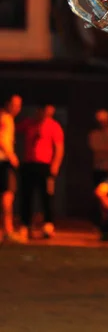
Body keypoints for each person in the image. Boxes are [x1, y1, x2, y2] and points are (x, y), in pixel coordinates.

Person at [17, 106, 64, 240]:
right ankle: (25, 225)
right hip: (29, 164)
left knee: (47, 197)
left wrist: (55, 165)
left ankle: (48, 225)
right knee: (26, 196)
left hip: (45, 166)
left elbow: (59, 147)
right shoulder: (29, 123)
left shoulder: (54, 126)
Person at [0, 95, 22, 243]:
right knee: (7, 196)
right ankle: (8, 230)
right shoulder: (5, 118)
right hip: (3, 161)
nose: (17, 108)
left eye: (19, 105)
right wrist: (11, 155)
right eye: (15, 104)